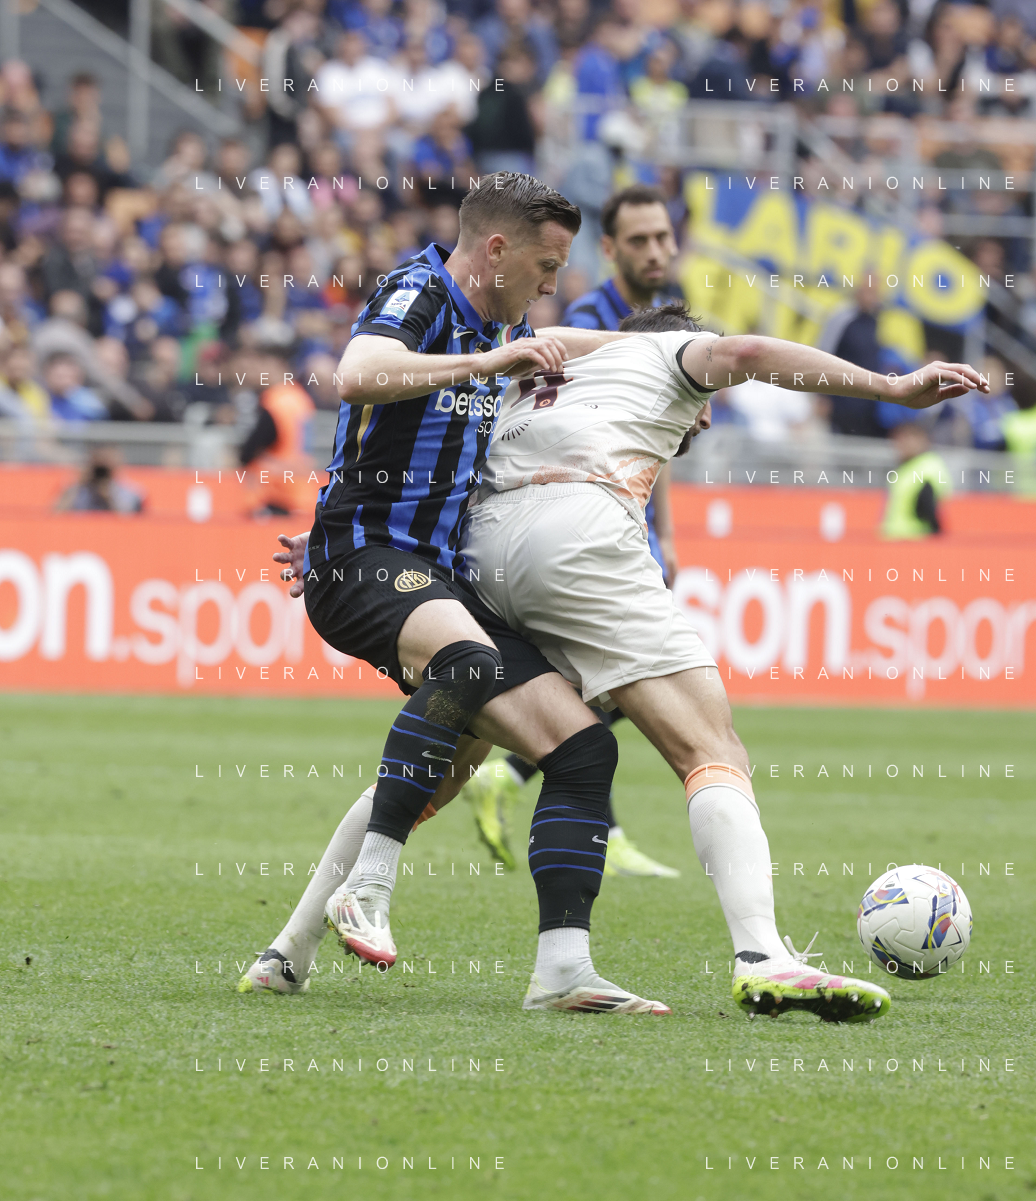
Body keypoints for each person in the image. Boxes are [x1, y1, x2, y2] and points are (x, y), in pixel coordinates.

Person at [456, 302, 985, 1021]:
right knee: (711, 748)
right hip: (576, 537)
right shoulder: (664, 355)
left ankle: (319, 926)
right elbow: (746, 354)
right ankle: (763, 956)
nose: (705, 417)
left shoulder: (547, 355)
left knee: (451, 752)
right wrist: (890, 387)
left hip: (483, 546)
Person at [240, 172, 670, 1016]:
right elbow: (358, 373)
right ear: (497, 248)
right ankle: (370, 886)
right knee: (467, 659)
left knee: (582, 748)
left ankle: (557, 969)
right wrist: (487, 361)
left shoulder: (509, 322)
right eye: (546, 265)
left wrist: (681, 359)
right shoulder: (422, 291)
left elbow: (567, 348)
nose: (552, 284)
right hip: (361, 556)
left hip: (439, 574)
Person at [460, 183, 683, 881]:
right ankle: (554, 801)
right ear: (610, 249)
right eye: (640, 240)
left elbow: (653, 437)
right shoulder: (589, 321)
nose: (656, 251)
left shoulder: (656, 320)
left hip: (625, 515)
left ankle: (534, 788)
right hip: (573, 521)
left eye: (663, 237)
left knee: (605, 673)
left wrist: (666, 532)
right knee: (626, 670)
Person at [880, 421, 950, 540]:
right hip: (899, 539)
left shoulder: (927, 467)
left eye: (909, 438)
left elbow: (927, 506)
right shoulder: (909, 466)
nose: (902, 444)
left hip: (913, 539)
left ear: (923, 440)